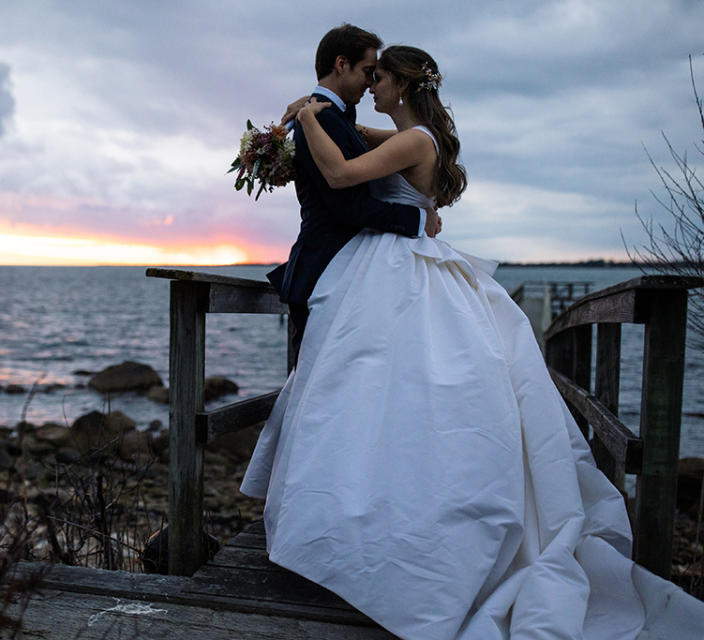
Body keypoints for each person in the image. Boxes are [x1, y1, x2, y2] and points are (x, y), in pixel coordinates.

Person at [241, 44, 704, 639]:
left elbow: (342, 172)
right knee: (377, 390)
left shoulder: (417, 141)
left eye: (379, 78)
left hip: (396, 271)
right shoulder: (410, 133)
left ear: (403, 85)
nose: (372, 86)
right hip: (392, 267)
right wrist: (311, 115)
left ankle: (393, 539)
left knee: (391, 391)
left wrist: (306, 117)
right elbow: (356, 130)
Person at [265, 24, 439, 366]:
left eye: (377, 76)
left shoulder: (331, 119)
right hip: (326, 269)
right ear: (341, 64)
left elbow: (357, 143)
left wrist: (311, 106)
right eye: (367, 72)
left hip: (353, 272)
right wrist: (419, 217)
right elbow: (347, 204)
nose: (370, 83)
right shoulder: (322, 122)